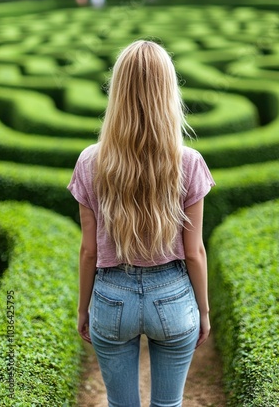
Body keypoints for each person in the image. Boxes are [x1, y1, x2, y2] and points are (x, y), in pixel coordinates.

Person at [67, 40, 215, 407]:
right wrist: (204, 311)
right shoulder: (189, 161)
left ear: (116, 92)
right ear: (168, 91)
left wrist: (84, 309)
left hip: (111, 297)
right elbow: (195, 252)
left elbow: (88, 252)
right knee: (168, 404)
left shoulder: (90, 162)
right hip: (174, 297)